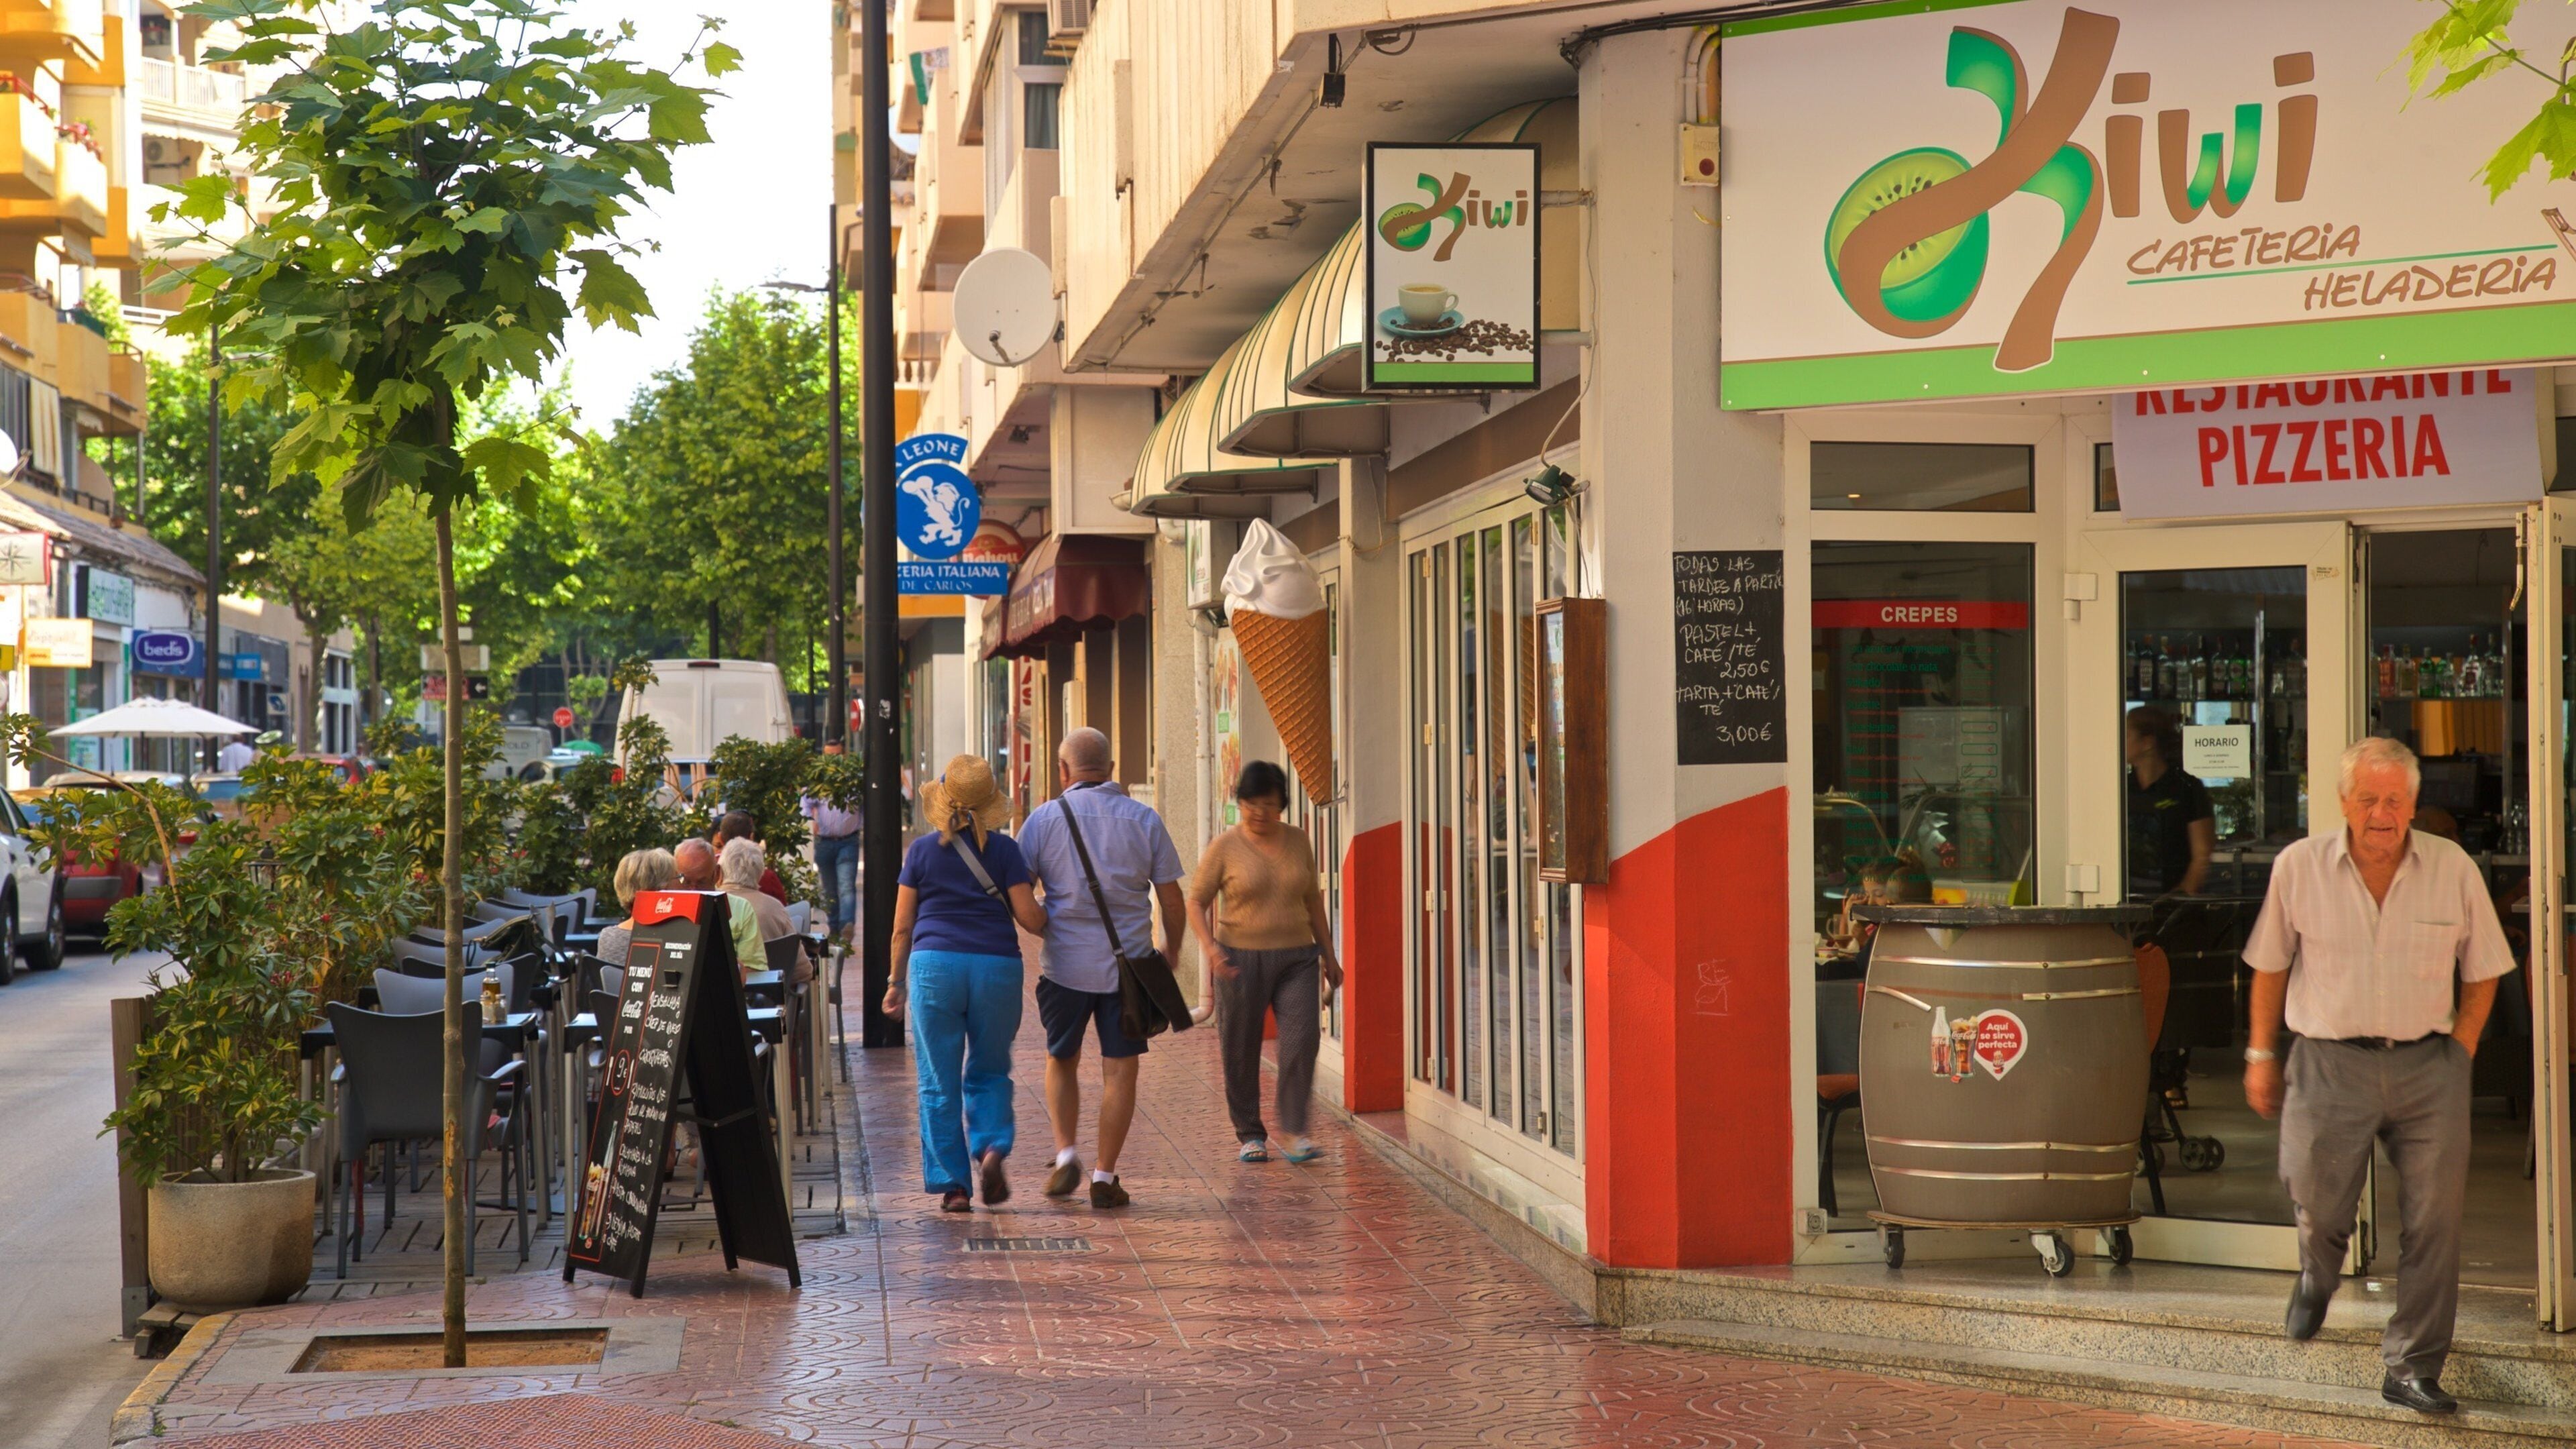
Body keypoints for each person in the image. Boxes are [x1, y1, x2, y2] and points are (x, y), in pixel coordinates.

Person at [2243, 735, 2512, 1416]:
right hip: (2328, 1063)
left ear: (2415, 803)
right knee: (2318, 1199)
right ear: (2343, 803)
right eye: (2369, 799)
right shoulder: (2298, 867)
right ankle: (2316, 1273)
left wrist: (2460, 1052)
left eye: (2396, 800)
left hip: (2430, 1066)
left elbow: (2484, 969)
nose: (2383, 813)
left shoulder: (2452, 868)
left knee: (2434, 1222)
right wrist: (2260, 1053)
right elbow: (2270, 966)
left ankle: (2413, 1366)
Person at [1016, 726, 1185, 1209]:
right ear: (1112, 770)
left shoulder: (1043, 821)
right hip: (1128, 969)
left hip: (1063, 966)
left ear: (1063, 770)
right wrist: (1170, 950)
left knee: (1061, 1058)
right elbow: (1171, 898)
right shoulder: (1143, 819)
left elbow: (1020, 893)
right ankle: (1105, 1176)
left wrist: (1041, 923)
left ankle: (1066, 1153)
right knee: (1121, 1071)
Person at [883, 755, 1047, 1212]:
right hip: (996, 967)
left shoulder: (919, 852)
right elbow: (1031, 919)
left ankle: (954, 1185)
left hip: (935, 967)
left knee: (938, 1080)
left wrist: (896, 982)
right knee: (991, 1069)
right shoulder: (1006, 851)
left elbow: (902, 927)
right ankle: (993, 1148)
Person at [1187, 761, 1341, 1164]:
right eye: (1251, 804)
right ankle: (1250, 1133)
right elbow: (1196, 901)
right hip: (1238, 960)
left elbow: (1313, 902)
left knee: (1301, 1040)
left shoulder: (1298, 841)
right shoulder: (1225, 846)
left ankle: (1293, 1132)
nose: (1260, 813)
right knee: (1239, 1047)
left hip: (1297, 959)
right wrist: (1210, 949)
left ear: (1283, 805)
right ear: (1240, 802)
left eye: (1269, 804)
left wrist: (1329, 955)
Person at [2125, 706, 2213, 898]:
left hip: (2173, 907)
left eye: (2127, 735)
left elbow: (2202, 854)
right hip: (2127, 904)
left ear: (2147, 743)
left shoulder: (2187, 787)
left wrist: (2178, 899)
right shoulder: (2121, 788)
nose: (2120, 742)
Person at [675, 836, 763, 977]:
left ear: (717, 874)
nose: (693, 890)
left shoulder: (740, 909)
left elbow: (755, 970)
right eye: (685, 881)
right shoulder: (666, 906)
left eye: (701, 883)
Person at [804, 742, 861, 942]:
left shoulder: (853, 779)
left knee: (846, 885)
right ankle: (835, 928)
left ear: (844, 755)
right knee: (829, 889)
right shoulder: (819, 779)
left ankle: (847, 925)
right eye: (829, 756)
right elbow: (806, 801)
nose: (833, 760)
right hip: (824, 843)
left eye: (837, 755)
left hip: (848, 841)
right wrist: (809, 821)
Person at [718, 836, 798, 967]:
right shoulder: (775, 908)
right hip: (771, 985)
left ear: (719, 871)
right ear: (761, 872)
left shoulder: (710, 906)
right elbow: (802, 971)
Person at [595, 847, 680, 964]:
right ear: (661, 888)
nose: (682, 885)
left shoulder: (608, 937)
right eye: (678, 878)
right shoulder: (677, 940)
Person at [714, 810, 789, 903]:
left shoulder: (709, 870)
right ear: (751, 837)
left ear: (720, 838)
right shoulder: (768, 878)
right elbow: (782, 909)